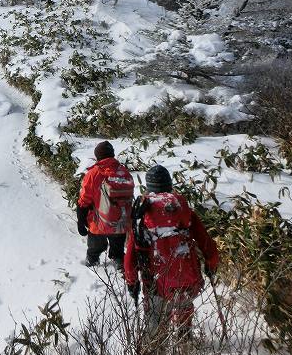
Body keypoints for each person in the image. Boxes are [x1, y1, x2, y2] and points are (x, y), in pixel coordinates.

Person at [124, 165, 219, 342]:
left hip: (155, 281)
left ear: (148, 187)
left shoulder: (141, 215)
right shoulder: (184, 211)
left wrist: (132, 281)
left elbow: (131, 254)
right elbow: (208, 245)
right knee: (184, 309)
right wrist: (211, 265)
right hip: (187, 277)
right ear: (169, 185)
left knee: (155, 325)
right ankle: (185, 345)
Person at [76, 140, 135, 269]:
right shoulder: (124, 172)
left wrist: (80, 221)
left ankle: (92, 264)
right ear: (112, 154)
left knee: (94, 250)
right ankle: (120, 267)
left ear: (98, 156)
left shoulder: (93, 174)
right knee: (118, 252)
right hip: (120, 223)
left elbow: (84, 201)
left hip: (98, 224)